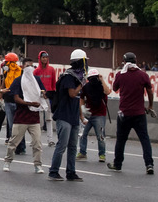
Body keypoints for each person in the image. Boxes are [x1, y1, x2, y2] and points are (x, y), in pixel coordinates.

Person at [108, 52, 156, 174]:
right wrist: (150, 105)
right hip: (139, 113)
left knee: (121, 140)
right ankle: (149, 164)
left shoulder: (120, 75)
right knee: (144, 139)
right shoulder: (143, 75)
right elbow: (150, 91)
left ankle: (117, 164)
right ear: (135, 61)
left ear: (124, 62)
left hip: (124, 113)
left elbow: (114, 88)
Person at [48, 49, 86, 181]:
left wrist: (81, 116)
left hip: (74, 116)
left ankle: (71, 172)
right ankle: (53, 171)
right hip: (64, 116)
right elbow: (72, 94)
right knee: (62, 145)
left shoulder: (78, 77)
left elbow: (77, 101)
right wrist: (81, 85)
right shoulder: (69, 77)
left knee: (73, 147)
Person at [2, 68, 46, 174]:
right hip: (21, 118)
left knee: (37, 143)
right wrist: (30, 104)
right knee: (13, 142)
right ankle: (7, 161)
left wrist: (43, 95)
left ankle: (38, 165)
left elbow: (43, 93)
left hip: (34, 118)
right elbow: (16, 98)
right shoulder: (18, 81)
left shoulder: (37, 80)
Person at [78, 69, 111, 162]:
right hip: (89, 114)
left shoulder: (101, 86)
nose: (93, 80)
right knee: (82, 135)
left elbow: (107, 92)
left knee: (100, 136)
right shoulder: (86, 87)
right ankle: (82, 152)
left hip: (99, 114)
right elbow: (81, 98)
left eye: (95, 78)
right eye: (91, 78)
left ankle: (102, 154)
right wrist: (82, 109)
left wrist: (102, 80)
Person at [0, 52, 20, 144]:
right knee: (1, 119)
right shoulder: (3, 76)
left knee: (9, 122)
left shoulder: (17, 73)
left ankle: (8, 137)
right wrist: (0, 99)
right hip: (5, 99)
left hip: (10, 99)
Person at [34, 50, 58, 147]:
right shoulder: (36, 71)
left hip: (48, 96)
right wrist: (40, 93)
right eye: (43, 57)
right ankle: (36, 140)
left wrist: (51, 95)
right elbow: (34, 85)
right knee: (38, 119)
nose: (45, 59)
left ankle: (50, 140)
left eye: (46, 57)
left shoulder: (51, 69)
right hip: (38, 97)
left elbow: (53, 84)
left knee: (49, 119)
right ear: (40, 58)